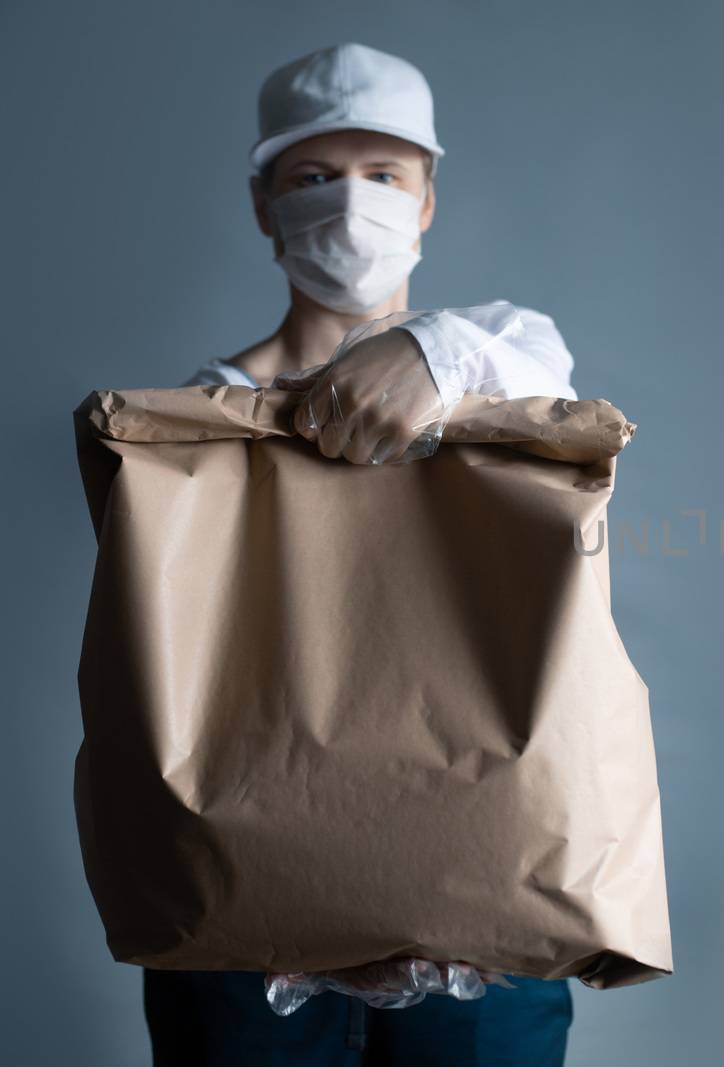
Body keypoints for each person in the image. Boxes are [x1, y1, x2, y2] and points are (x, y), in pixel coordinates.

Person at [141, 42, 576, 1065]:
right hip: (250, 940)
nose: (350, 203)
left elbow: (548, 370)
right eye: (313, 177)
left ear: (427, 202)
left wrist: (437, 351)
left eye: (384, 175)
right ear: (262, 203)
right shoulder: (189, 430)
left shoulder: (495, 363)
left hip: (480, 929)